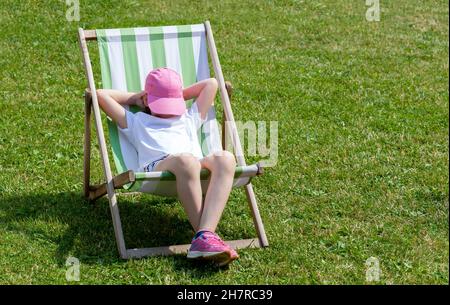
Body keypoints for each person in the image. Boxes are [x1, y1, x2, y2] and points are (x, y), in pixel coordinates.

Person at [96, 67, 238, 266]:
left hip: (194, 171)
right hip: (158, 170)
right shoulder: (137, 122)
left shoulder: (188, 119)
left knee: (226, 158)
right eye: (162, 103)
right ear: (147, 100)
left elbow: (211, 84)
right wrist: (136, 98)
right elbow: (100, 95)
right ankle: (206, 238)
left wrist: (175, 94)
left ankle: (205, 237)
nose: (167, 110)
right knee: (186, 160)